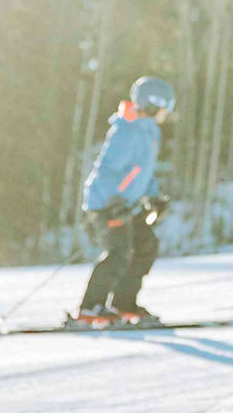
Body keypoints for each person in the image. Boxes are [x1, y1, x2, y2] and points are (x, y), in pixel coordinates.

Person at [70, 76, 174, 329]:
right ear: (152, 104)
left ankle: (124, 303)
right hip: (107, 203)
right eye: (165, 107)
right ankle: (89, 307)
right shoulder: (126, 130)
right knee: (119, 252)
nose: (167, 113)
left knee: (146, 245)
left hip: (129, 204)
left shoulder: (150, 131)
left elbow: (142, 171)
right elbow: (107, 170)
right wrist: (112, 202)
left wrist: (154, 197)